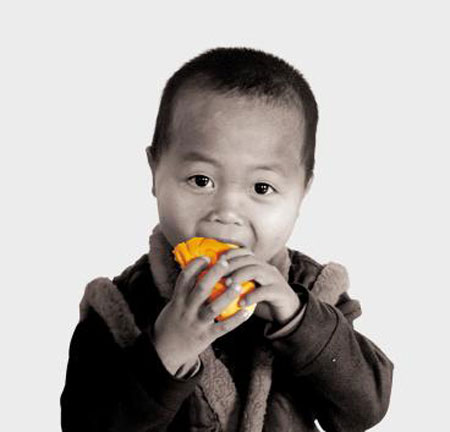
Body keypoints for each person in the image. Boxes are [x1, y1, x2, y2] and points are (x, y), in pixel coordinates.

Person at [61, 47, 394, 432]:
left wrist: (299, 322)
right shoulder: (118, 307)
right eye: (201, 180)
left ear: (302, 192)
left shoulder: (314, 292)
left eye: (262, 187)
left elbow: (365, 409)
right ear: (155, 172)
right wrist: (165, 351)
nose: (227, 211)